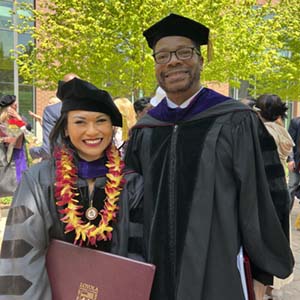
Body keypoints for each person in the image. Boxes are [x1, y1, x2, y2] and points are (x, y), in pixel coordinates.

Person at [125, 13, 294, 300]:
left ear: (201, 59)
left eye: (184, 52)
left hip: (221, 270)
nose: (173, 62)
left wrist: (263, 276)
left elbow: (269, 195)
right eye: (162, 56)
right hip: (155, 273)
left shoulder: (237, 121)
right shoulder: (146, 129)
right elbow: (131, 204)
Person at [0, 78, 143, 299]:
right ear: (65, 129)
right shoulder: (39, 180)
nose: (92, 131)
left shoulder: (131, 182)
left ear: (111, 127)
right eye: (80, 122)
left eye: (101, 121)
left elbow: (139, 254)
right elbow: (22, 257)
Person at [255, 94, 294, 298]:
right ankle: (270, 286)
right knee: (277, 241)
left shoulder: (262, 133)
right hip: (281, 189)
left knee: (263, 245)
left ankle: (260, 290)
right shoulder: (282, 131)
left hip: (265, 193)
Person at [29, 74, 79, 160]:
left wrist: (32, 150)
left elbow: (48, 150)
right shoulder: (97, 108)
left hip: (63, 165)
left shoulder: (52, 111)